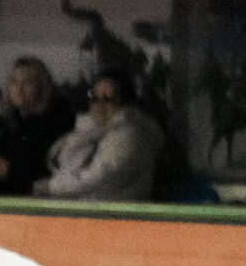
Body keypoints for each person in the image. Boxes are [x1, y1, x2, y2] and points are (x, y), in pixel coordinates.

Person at [35, 72, 164, 202]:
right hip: (87, 213)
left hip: (119, 216)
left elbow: (98, 178)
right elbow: (63, 164)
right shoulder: (90, 132)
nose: (99, 104)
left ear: (124, 105)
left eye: (108, 99)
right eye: (93, 97)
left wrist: (51, 186)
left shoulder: (129, 136)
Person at [0, 56, 71, 197]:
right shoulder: (5, 123)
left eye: (27, 82)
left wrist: (4, 171)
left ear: (41, 86)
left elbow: (40, 173)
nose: (19, 88)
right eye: (14, 82)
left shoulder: (53, 125)